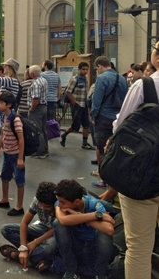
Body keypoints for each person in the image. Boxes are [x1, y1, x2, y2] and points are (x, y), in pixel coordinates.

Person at [111, 41, 159, 278]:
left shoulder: (145, 85)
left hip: (142, 175)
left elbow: (120, 127)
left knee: (139, 249)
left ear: (157, 57)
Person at [53, 179, 115, 279]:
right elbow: (63, 220)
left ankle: (101, 274)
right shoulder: (60, 203)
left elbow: (109, 230)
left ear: (77, 202)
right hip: (75, 246)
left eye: (62, 202)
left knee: (104, 235)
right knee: (58, 224)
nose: (59, 205)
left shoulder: (94, 204)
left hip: (93, 247)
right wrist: (95, 216)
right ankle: (70, 270)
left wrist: (79, 216)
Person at [0, 181, 58, 273]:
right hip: (42, 228)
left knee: (50, 245)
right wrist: (23, 247)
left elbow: (57, 229)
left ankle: (24, 257)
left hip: (54, 234)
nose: (42, 208)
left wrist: (35, 242)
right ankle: (36, 258)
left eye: (46, 206)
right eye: (41, 204)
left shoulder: (59, 205)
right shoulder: (37, 201)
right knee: (6, 229)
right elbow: (24, 222)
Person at [90, 56, 128, 188]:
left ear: (100, 66)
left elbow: (97, 99)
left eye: (97, 69)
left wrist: (93, 115)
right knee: (114, 147)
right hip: (118, 117)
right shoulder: (122, 78)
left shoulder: (101, 78)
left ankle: (104, 178)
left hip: (104, 117)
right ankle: (115, 178)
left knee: (102, 148)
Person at [0, 91, 25, 217]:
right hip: (7, 153)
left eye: (0, 102)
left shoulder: (15, 119)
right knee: (5, 177)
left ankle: (19, 206)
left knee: (19, 180)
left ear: (9, 105)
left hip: (16, 154)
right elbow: (3, 135)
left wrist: (20, 158)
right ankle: (4, 199)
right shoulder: (3, 117)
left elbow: (21, 139)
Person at [59, 62, 94, 149]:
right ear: (79, 70)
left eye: (86, 69)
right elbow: (68, 92)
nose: (85, 71)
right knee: (75, 127)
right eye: (83, 69)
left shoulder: (85, 79)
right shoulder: (75, 79)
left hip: (84, 104)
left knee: (86, 125)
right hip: (77, 105)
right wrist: (74, 103)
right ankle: (64, 135)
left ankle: (84, 143)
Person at [27, 65, 49, 159]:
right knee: (43, 129)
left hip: (37, 108)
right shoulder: (44, 80)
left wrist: (31, 109)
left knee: (37, 130)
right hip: (44, 106)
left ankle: (40, 151)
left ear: (32, 74)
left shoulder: (36, 83)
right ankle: (45, 148)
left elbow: (35, 99)